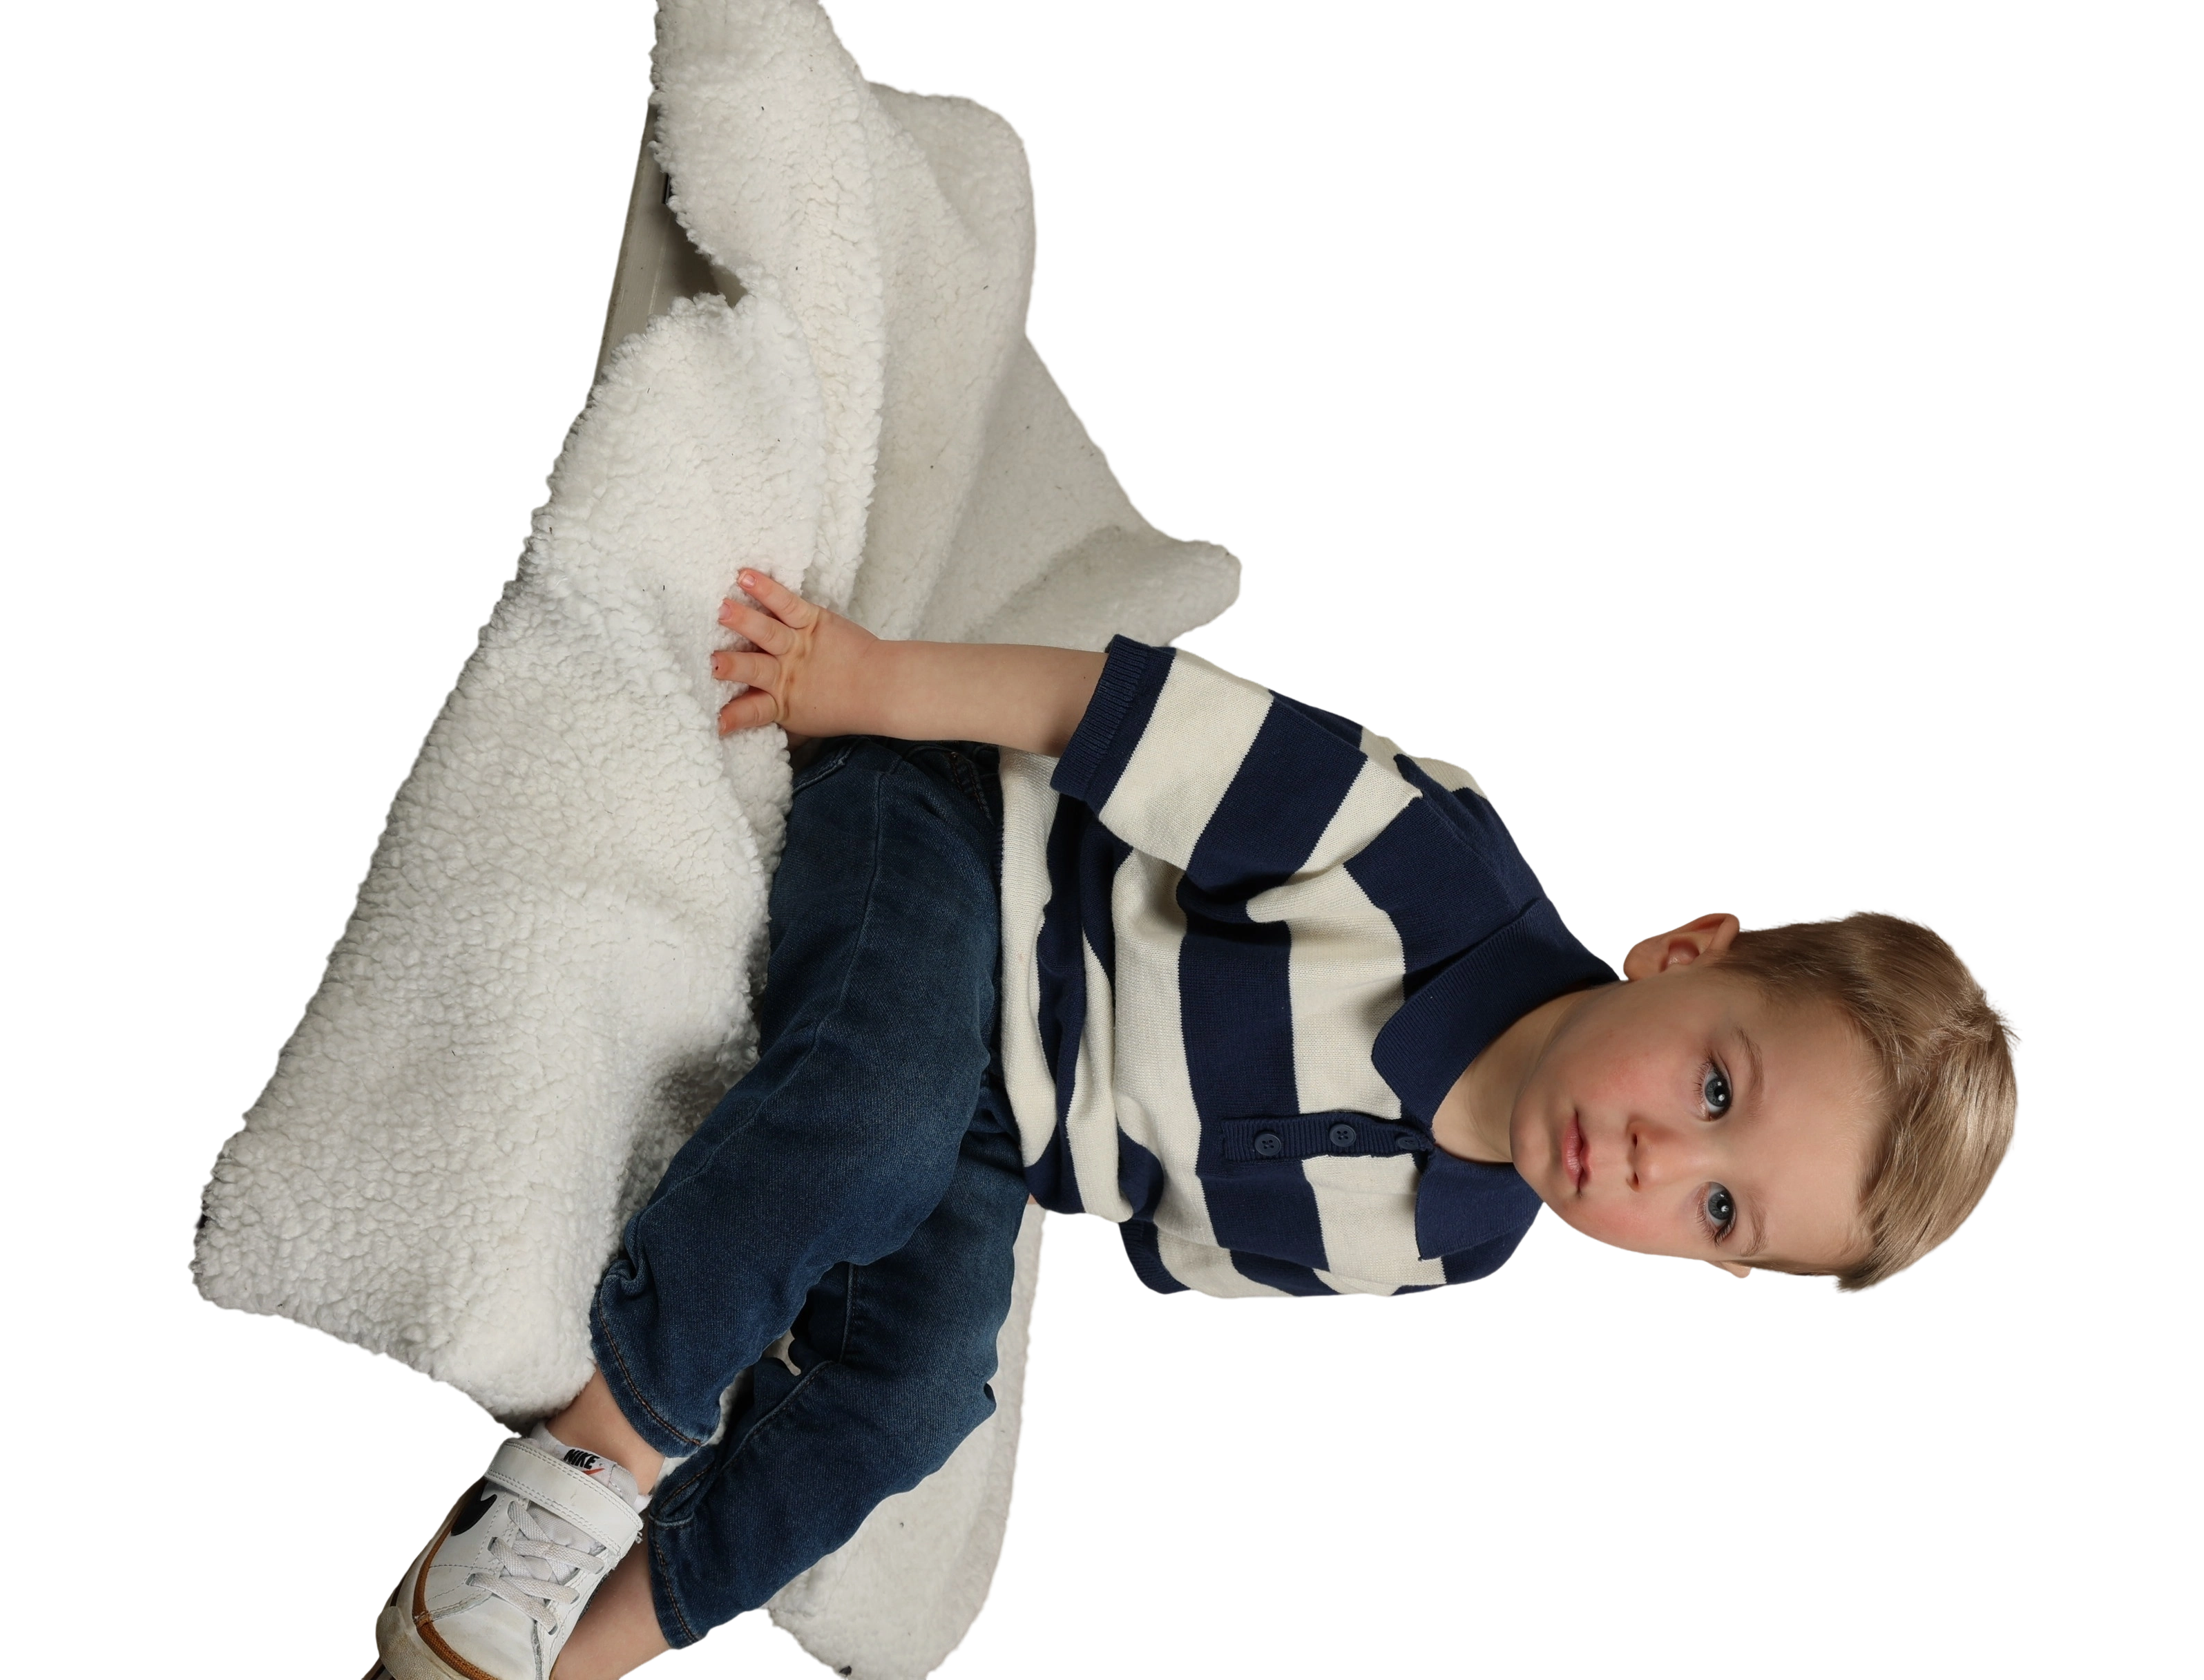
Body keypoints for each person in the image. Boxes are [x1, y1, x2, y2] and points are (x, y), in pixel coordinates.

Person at [370, 569, 2026, 1680]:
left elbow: (1180, 1234)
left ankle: (578, 1641)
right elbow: (1124, 717)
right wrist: (863, 681)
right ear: (1691, 951)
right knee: (869, 1126)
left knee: (919, 1395)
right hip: (962, 857)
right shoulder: (1424, 864)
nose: (1666, 1162)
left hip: (1012, 1136)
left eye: (1722, 1212)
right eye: (1715, 1088)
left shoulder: (1459, 1238)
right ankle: (592, 1455)